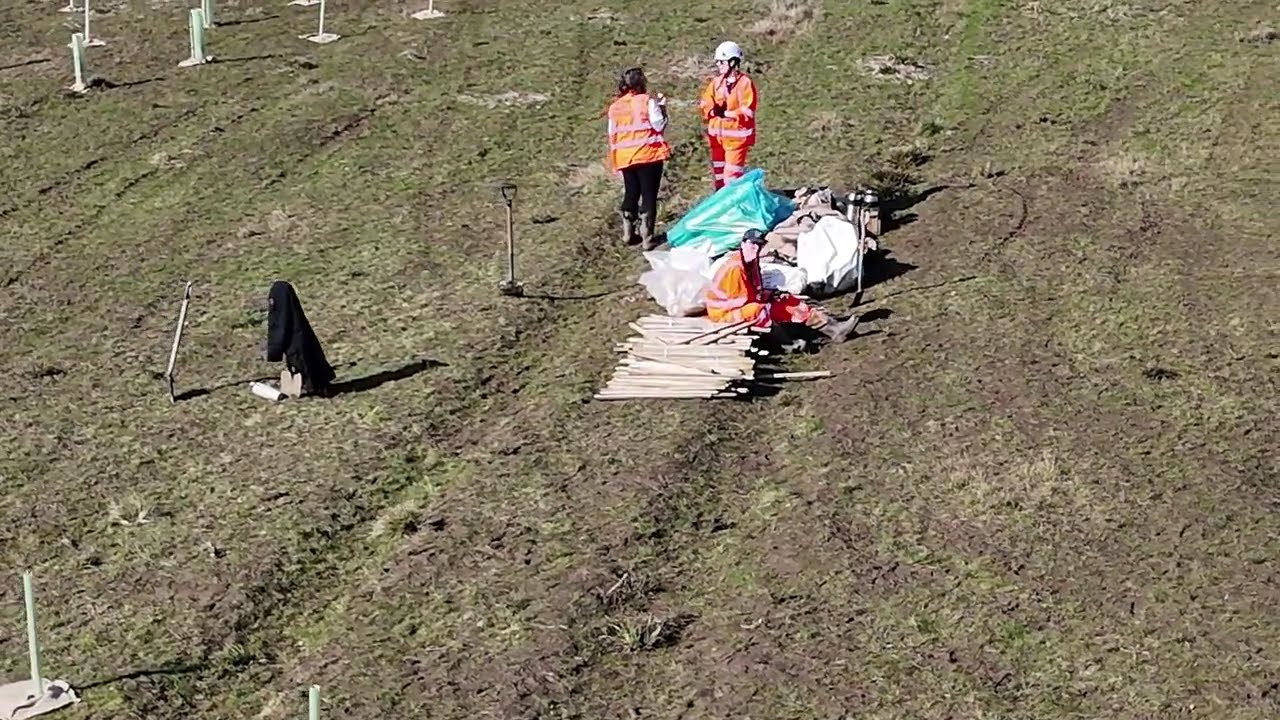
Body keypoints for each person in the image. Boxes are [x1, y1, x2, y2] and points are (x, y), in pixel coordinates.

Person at [704, 230, 861, 343]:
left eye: (759, 246)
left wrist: (772, 295)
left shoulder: (751, 262)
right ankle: (787, 344)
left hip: (745, 302)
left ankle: (834, 330)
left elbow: (754, 290)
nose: (756, 249)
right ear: (743, 244)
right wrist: (765, 300)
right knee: (759, 310)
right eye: (753, 245)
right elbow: (741, 300)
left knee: (789, 301)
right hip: (724, 313)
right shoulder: (735, 269)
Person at [606, 67, 671, 250]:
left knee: (631, 192)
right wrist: (663, 108)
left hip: (625, 158)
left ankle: (628, 232)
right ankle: (647, 237)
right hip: (648, 155)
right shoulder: (647, 101)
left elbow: (612, 133)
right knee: (648, 194)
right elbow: (658, 125)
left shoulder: (615, 107)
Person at [699, 40, 758, 191]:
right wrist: (712, 111)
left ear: (732, 62)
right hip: (717, 140)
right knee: (719, 181)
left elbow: (747, 112)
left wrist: (726, 113)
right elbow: (705, 103)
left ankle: (734, 210)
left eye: (721, 62)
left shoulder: (745, 83)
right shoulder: (716, 83)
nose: (718, 65)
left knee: (731, 180)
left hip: (736, 141)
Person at [266, 280, 335, 396]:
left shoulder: (284, 312)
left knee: (303, 365)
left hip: (295, 347)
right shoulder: (295, 315)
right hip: (299, 341)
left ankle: (313, 388)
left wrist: (274, 352)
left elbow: (280, 328)